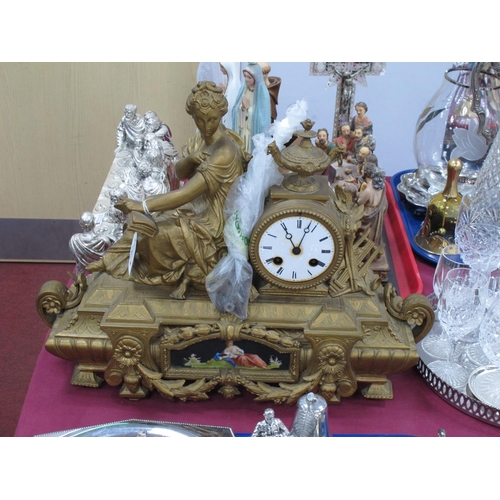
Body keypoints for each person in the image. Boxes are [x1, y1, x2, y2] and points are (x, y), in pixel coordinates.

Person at [87, 81, 247, 300]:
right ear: (193, 117)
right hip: (196, 207)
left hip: (213, 219)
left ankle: (139, 271)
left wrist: (141, 204)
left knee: (157, 232)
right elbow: (180, 173)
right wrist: (191, 158)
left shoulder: (224, 151)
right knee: (150, 220)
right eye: (200, 120)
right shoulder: (201, 140)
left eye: (212, 119)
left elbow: (185, 193)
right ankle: (109, 261)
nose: (206, 126)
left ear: (221, 114)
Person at [232, 62, 271, 153]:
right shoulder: (243, 88)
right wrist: (241, 108)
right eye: (244, 76)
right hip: (242, 130)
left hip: (251, 133)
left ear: (255, 77)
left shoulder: (262, 93)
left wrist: (249, 108)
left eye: (249, 77)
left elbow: (263, 120)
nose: (246, 79)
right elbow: (235, 109)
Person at [356, 162, 387, 247]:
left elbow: (360, 202)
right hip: (377, 214)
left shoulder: (368, 191)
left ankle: (361, 246)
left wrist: (358, 194)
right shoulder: (383, 187)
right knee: (373, 232)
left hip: (367, 214)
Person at [219, 62, 241, 131]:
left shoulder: (234, 84)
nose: (220, 69)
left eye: (222, 67)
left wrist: (222, 94)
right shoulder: (230, 81)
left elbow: (230, 105)